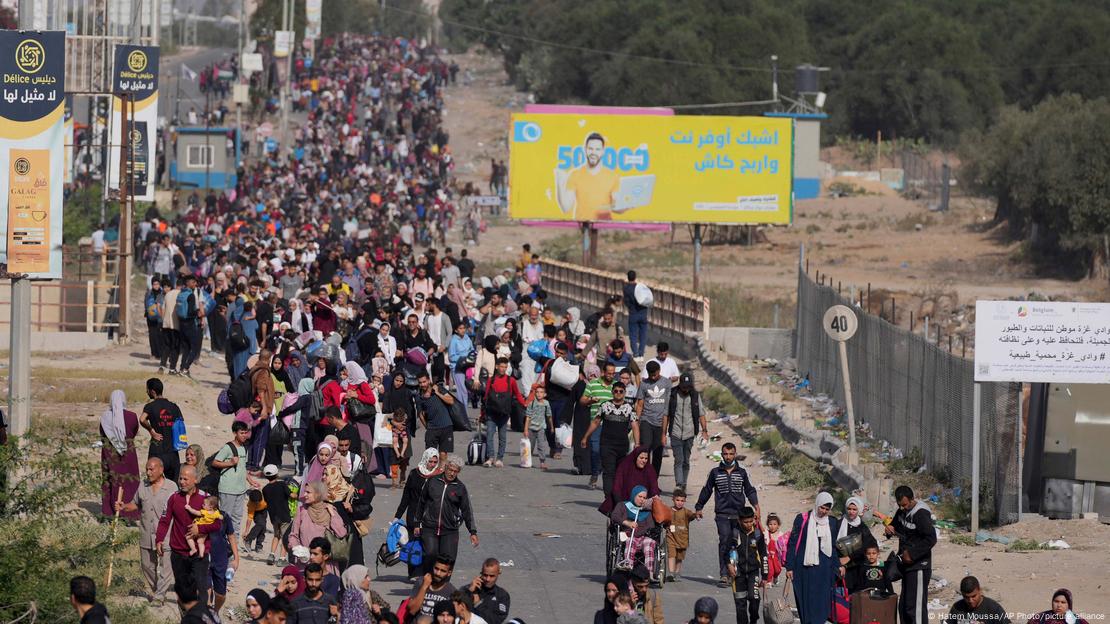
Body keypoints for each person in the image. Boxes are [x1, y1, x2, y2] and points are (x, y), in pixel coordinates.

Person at [694, 442, 761, 587]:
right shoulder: (715, 473)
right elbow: (707, 490)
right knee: (725, 541)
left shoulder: (742, 472)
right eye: (725, 454)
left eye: (731, 454)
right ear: (722, 454)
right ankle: (724, 574)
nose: (728, 457)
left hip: (739, 515)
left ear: (735, 454)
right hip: (722, 514)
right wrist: (699, 507)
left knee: (738, 542)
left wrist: (756, 506)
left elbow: (750, 490)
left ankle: (738, 572)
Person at [155, 464, 222, 608]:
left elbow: (218, 525)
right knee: (182, 589)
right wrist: (159, 539)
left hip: (199, 553)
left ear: (195, 480)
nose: (182, 482)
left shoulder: (207, 500)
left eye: (186, 479)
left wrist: (200, 528)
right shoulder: (173, 498)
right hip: (178, 552)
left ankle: (202, 616)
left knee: (201, 586)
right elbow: (165, 520)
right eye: (180, 478)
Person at [116, 456, 174, 603]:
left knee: (166, 567)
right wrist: (123, 506)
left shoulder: (172, 487)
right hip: (146, 533)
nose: (148, 472)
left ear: (161, 470)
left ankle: (159, 596)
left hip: (166, 534)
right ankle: (158, 591)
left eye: (151, 469)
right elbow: (135, 504)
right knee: (147, 565)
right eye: (147, 469)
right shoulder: (143, 485)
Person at [413, 455, 479, 573]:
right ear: (446, 467)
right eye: (450, 470)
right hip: (430, 527)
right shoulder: (432, 481)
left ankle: (444, 586)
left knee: (448, 559)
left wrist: (472, 532)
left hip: (450, 529)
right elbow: (421, 502)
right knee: (430, 553)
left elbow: (467, 510)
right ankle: (428, 579)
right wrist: (417, 523)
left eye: (455, 471)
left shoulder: (460, 488)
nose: (452, 473)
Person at [784, 491, 841, 624]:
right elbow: (793, 543)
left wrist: (838, 565)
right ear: (817, 504)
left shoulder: (832, 523)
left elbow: (833, 547)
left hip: (824, 570)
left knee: (822, 603)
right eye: (822, 507)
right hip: (804, 569)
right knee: (805, 601)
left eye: (827, 509)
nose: (824, 511)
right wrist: (790, 566)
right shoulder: (803, 519)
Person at [885, 485, 937, 624]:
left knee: (915, 609)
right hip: (906, 566)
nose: (902, 508)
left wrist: (912, 554)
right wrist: (889, 530)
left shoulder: (921, 514)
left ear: (912, 499)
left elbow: (931, 539)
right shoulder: (902, 511)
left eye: (905, 505)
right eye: (899, 505)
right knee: (904, 607)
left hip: (919, 567)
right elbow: (895, 525)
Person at [579, 368, 632, 496]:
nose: (618, 393)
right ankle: (603, 487)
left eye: (620, 391)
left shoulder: (629, 407)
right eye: (616, 391)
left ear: (624, 392)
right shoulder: (604, 404)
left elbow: (635, 424)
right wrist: (585, 437)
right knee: (601, 458)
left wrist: (637, 442)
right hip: (604, 437)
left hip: (621, 443)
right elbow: (595, 421)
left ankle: (616, 495)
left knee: (618, 471)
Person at [395, 448, 442, 580]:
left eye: (435, 461)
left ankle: (427, 573)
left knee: (428, 546)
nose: (432, 464)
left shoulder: (439, 476)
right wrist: (397, 515)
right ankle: (414, 573)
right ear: (425, 459)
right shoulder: (414, 474)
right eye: (430, 461)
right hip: (413, 514)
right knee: (413, 544)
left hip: (430, 516)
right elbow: (406, 496)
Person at [555, 132, 620, 221]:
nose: (594, 152)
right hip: (582, 227)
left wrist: (628, 205)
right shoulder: (575, 174)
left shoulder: (613, 176)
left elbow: (617, 207)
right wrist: (559, 180)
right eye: (590, 148)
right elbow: (566, 208)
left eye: (597, 149)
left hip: (604, 227)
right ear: (585, 149)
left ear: (603, 151)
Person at [211, 420, 258, 535]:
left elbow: (243, 468)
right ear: (235, 433)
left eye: (246, 433)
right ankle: (221, 544)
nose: (244, 436)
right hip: (227, 489)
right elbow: (215, 462)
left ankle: (233, 547)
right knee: (225, 518)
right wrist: (230, 463)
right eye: (242, 433)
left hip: (241, 490)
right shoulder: (228, 447)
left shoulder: (244, 448)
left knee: (237, 519)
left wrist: (251, 481)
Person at [99, 389, 141, 520]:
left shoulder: (105, 417)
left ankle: (109, 512)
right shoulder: (132, 416)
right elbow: (133, 432)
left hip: (109, 453)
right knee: (129, 481)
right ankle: (128, 514)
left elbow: (102, 435)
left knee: (110, 480)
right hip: (128, 452)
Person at [667, 372, 709, 491]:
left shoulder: (695, 396)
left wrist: (704, 430)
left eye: (688, 387)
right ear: (680, 384)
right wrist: (663, 433)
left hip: (690, 433)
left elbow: (701, 414)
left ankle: (684, 483)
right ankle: (679, 484)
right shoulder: (673, 394)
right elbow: (667, 415)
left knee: (686, 460)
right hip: (675, 432)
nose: (686, 389)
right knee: (678, 459)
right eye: (684, 386)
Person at [481, 357, 526, 467]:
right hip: (491, 412)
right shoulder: (491, 380)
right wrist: (482, 414)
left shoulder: (511, 381)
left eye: (505, 367)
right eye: (501, 366)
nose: (503, 369)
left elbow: (518, 394)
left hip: (504, 413)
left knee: (502, 437)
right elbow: (486, 397)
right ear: (497, 366)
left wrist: (524, 404)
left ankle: (500, 459)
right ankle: (490, 457)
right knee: (490, 435)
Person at [728, 507, 769, 624]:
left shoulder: (758, 535)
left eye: (751, 521)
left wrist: (765, 576)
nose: (748, 524)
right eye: (745, 522)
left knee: (754, 598)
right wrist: (729, 565)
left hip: (753, 572)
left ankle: (754, 620)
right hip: (737, 573)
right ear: (740, 521)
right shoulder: (734, 534)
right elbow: (725, 551)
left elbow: (763, 555)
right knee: (740, 604)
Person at [288, 481, 348, 558]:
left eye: (308, 492)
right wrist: (298, 550)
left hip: (326, 563)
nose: (304, 495)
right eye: (305, 492)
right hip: (306, 561)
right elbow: (293, 535)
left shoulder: (329, 510)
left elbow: (341, 533)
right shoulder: (302, 510)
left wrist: (332, 514)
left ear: (318, 494)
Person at [140, 377, 184, 481]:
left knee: (153, 481)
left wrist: (152, 431)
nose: (147, 392)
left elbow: (142, 419)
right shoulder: (174, 407)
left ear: (153, 391)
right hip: (172, 451)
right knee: (174, 484)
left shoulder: (150, 406)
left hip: (157, 449)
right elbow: (180, 424)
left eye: (147, 390)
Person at [609, 485, 658, 576]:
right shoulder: (623, 505)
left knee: (650, 542)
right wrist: (627, 523)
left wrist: (640, 529)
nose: (642, 499)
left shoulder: (646, 511)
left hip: (642, 537)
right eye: (640, 496)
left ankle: (648, 573)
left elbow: (651, 525)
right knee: (630, 542)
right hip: (628, 536)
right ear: (634, 495)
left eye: (644, 498)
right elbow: (614, 516)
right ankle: (628, 566)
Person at [600, 446, 661, 516]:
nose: (644, 461)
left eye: (646, 458)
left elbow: (654, 487)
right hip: (625, 502)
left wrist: (655, 498)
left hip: (643, 504)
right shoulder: (624, 466)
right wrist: (620, 505)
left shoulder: (649, 469)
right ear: (635, 457)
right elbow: (617, 487)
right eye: (641, 458)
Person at [634, 360, 671, 475]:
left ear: (659, 371)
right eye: (651, 375)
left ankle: (654, 478)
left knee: (658, 451)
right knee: (645, 448)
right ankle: (644, 476)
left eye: (655, 374)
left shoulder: (666, 383)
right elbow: (640, 404)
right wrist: (637, 421)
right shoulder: (644, 384)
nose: (653, 377)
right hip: (646, 420)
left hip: (661, 422)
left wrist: (667, 424)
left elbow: (668, 404)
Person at [417, 370, 457, 465]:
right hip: (432, 429)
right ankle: (431, 477)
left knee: (443, 455)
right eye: (420, 382)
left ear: (428, 380)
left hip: (446, 426)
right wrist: (427, 426)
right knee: (431, 456)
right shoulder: (419, 396)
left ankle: (441, 476)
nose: (422, 384)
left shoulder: (438, 388)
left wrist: (438, 393)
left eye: (424, 381)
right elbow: (420, 415)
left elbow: (451, 400)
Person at [944, 576, 1011, 624]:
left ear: (980, 591)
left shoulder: (993, 608)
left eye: (974, 596)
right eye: (966, 597)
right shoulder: (957, 608)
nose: (970, 600)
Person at [408, 555, 458, 620]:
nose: (438, 573)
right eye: (436, 568)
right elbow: (412, 610)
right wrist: (424, 587)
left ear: (449, 573)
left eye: (443, 571)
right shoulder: (421, 582)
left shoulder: (451, 591)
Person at [261, 464, 292, 565]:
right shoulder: (282, 484)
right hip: (284, 515)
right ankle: (282, 559)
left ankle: (271, 554)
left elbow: (266, 501)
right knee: (285, 537)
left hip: (273, 517)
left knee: (276, 535)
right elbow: (291, 495)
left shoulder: (265, 489)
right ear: (277, 474)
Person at [837, 496, 877, 572]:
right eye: (849, 509)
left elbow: (869, 544)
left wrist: (849, 557)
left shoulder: (862, 527)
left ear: (859, 510)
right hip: (841, 565)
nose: (851, 512)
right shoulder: (839, 524)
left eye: (854, 509)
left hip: (857, 565)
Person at [666, 487, 697, 582]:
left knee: (679, 557)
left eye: (682, 501)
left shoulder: (686, 511)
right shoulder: (668, 510)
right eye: (677, 500)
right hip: (671, 536)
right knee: (671, 554)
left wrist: (697, 515)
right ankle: (671, 573)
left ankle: (677, 572)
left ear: (685, 501)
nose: (679, 502)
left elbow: (692, 516)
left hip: (682, 538)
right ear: (673, 499)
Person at [469, 558, 511, 624]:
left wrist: (478, 605)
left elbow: (496, 621)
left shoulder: (502, 596)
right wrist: (468, 593)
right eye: (485, 575)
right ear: (481, 573)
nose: (488, 579)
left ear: (498, 574)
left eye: (492, 576)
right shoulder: (469, 589)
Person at [524, 384, 553, 470]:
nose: (539, 394)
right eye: (537, 392)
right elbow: (528, 417)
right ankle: (527, 461)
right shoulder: (531, 404)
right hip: (531, 428)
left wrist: (552, 426)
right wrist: (525, 429)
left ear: (545, 394)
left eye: (541, 392)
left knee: (541, 445)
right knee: (530, 446)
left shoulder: (546, 404)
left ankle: (542, 462)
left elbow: (549, 416)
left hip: (541, 427)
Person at [622, 271, 649, 358]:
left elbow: (626, 301)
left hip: (633, 314)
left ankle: (635, 353)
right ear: (635, 277)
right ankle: (641, 353)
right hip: (643, 313)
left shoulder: (626, 289)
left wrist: (631, 307)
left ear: (628, 277)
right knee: (643, 334)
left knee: (633, 335)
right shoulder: (640, 287)